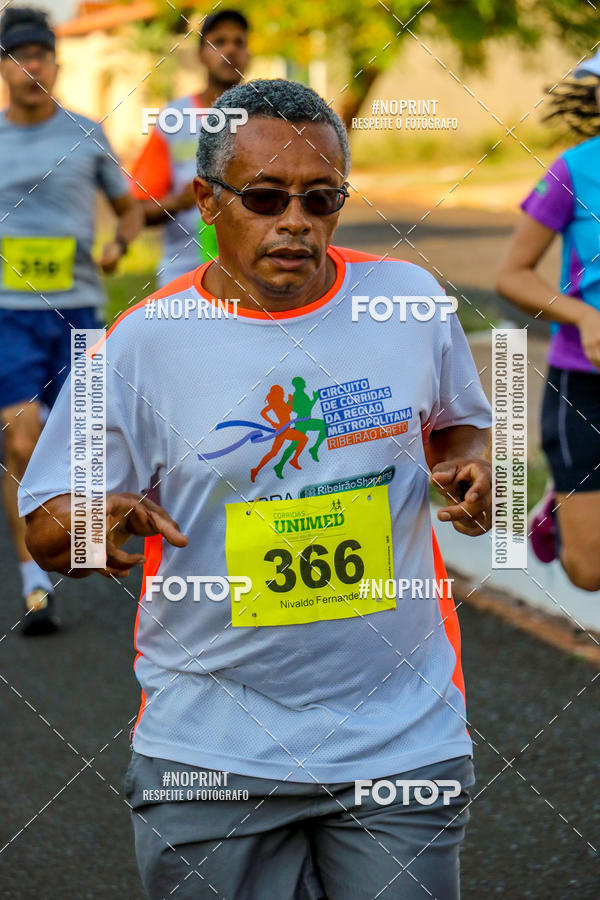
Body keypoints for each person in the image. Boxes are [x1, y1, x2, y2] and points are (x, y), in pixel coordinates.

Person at [20, 79, 493, 899]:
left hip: (400, 741)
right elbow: (45, 529)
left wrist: (474, 469)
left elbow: (463, 423)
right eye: (266, 196)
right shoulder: (138, 347)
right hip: (213, 754)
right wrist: (105, 517)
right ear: (206, 200)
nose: (296, 222)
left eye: (322, 198)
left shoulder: (410, 302)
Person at [0, 6, 142, 635]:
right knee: (22, 439)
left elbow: (128, 209)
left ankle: (86, 541)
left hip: (79, 312)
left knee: (89, 451)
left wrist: (119, 244)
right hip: (9, 312)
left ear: (56, 63)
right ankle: (34, 577)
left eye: (42, 55)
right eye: (19, 55)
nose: (32, 67)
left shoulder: (86, 133)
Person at [496, 51, 600, 592]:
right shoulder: (574, 169)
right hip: (584, 381)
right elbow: (513, 275)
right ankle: (560, 509)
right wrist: (583, 316)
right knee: (588, 571)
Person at [130, 9, 250, 287]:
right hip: (183, 277)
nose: (230, 49)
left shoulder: (269, 117)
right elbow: (137, 211)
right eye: (219, 42)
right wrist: (178, 202)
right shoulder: (174, 118)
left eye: (239, 42)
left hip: (252, 278)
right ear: (200, 55)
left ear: (248, 53)